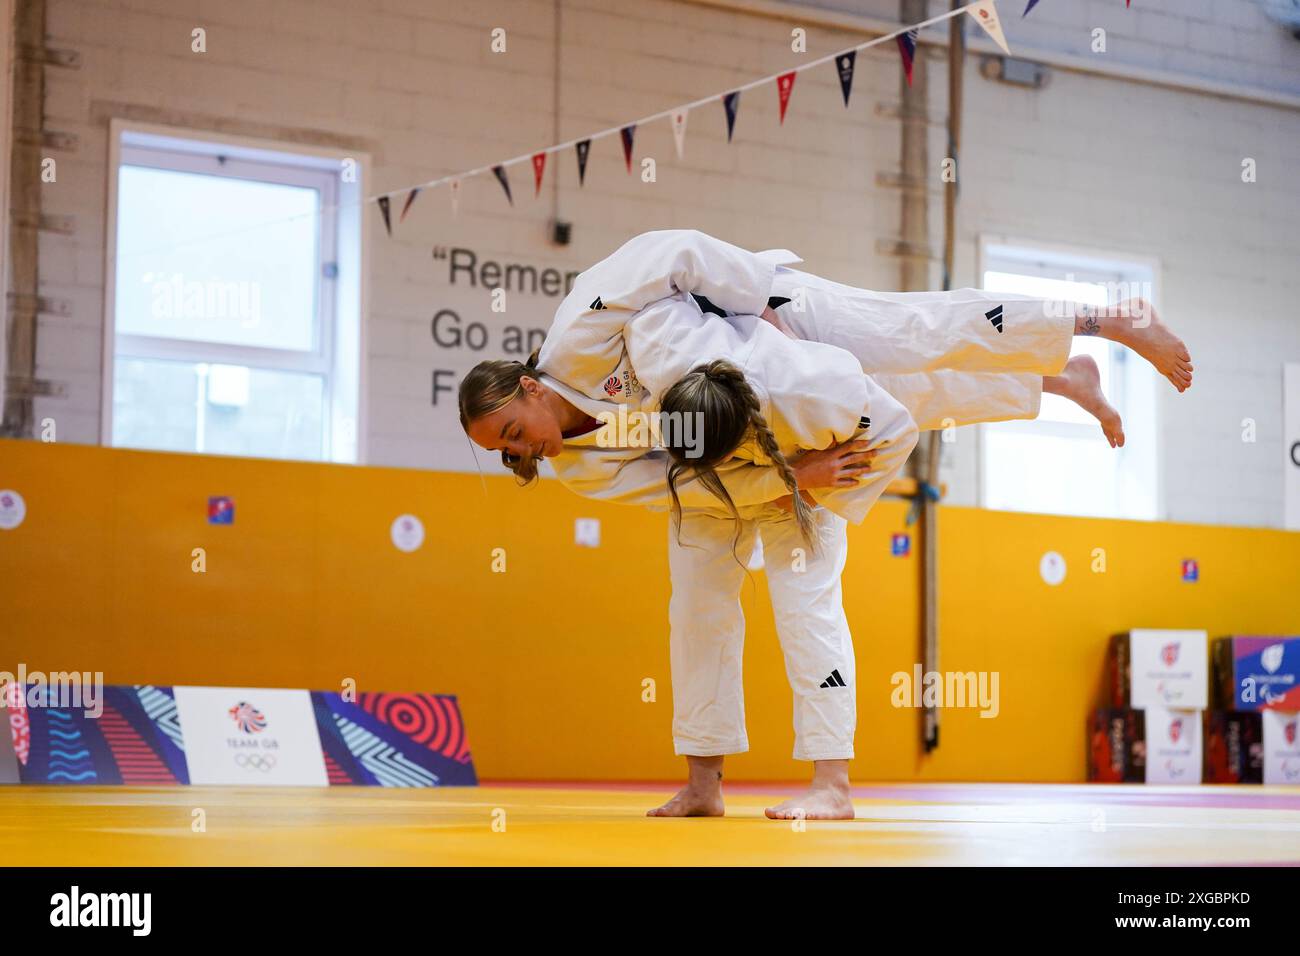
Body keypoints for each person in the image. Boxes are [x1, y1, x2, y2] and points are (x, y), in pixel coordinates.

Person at [460, 230, 1192, 820]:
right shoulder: (579, 467)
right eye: (507, 454)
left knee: (914, 341)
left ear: (527, 387)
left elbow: (676, 251)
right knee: (696, 609)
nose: (522, 453)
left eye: (513, 432)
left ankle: (1102, 322)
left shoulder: (581, 327)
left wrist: (762, 308)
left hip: (772, 323)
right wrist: (787, 481)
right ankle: (704, 782)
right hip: (732, 476)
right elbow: (676, 491)